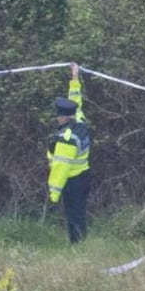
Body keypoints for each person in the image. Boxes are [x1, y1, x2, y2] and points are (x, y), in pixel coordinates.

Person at [47, 63, 92, 244]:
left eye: (59, 115)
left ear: (64, 117)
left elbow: (61, 166)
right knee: (80, 212)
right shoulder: (79, 121)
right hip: (84, 175)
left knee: (74, 216)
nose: (57, 117)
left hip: (72, 180)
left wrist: (54, 193)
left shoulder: (67, 137)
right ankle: (81, 243)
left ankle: (77, 245)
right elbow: (76, 101)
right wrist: (74, 78)